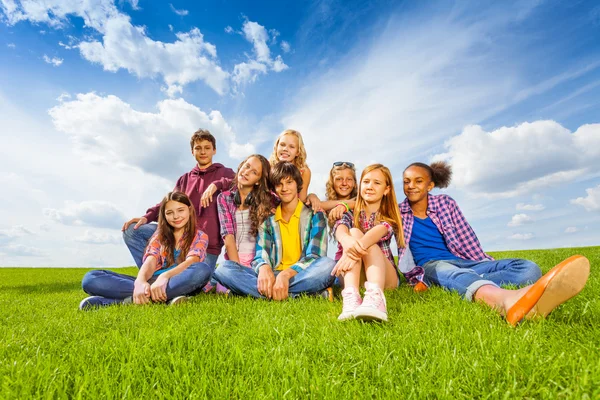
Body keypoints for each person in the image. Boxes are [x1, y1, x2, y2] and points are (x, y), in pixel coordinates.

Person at [399, 161, 590, 325]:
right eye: (406, 181)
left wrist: (483, 262)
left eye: (418, 181)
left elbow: (466, 235)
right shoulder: (398, 213)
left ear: (430, 185)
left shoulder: (445, 203)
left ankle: (452, 282)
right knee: (445, 270)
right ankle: (506, 300)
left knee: (528, 268)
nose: (411, 186)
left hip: (464, 261)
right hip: (431, 265)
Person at [214, 162, 335, 300]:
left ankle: (261, 293)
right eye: (279, 184)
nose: (284, 188)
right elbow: (261, 253)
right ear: (274, 189)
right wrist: (264, 268)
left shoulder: (315, 216)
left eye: (289, 182)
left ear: (298, 184)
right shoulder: (268, 219)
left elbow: (315, 256)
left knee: (328, 265)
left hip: (300, 274)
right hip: (273, 275)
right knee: (224, 269)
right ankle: (299, 294)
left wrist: (285, 275)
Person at [121, 129, 235, 271]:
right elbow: (168, 204)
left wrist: (216, 184)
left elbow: (239, 182)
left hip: (207, 246)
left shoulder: (224, 172)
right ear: (192, 152)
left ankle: (173, 276)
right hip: (180, 239)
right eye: (198, 148)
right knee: (132, 230)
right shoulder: (185, 179)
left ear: (214, 150)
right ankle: (154, 273)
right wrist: (146, 217)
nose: (203, 152)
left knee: (198, 275)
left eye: (207, 148)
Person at [79, 192, 213, 309]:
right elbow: (151, 259)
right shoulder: (159, 235)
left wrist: (164, 277)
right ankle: (161, 297)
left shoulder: (200, 235)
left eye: (180, 210)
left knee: (202, 270)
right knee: (91, 278)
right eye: (169, 213)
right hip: (152, 282)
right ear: (164, 216)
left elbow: (191, 261)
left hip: (177, 281)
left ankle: (119, 302)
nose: (176, 216)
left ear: (189, 210)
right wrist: (140, 282)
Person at [332, 164, 404, 322]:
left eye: (377, 183)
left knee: (367, 240)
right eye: (366, 182)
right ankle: (351, 297)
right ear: (360, 186)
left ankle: (376, 297)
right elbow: (340, 228)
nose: (370, 186)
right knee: (354, 232)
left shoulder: (390, 216)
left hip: (385, 277)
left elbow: (375, 234)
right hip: (356, 274)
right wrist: (348, 243)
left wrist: (351, 253)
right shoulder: (350, 213)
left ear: (386, 189)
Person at [216, 154, 275, 268]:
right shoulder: (224, 198)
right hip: (234, 260)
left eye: (254, 172)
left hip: (260, 262)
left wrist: (312, 197)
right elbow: (228, 236)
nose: (247, 172)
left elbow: (289, 198)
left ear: (258, 181)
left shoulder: (269, 200)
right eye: (247, 166)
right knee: (222, 272)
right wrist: (237, 269)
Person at [269, 129, 312, 203]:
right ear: (276, 147)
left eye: (291, 147)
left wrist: (312, 196)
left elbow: (302, 201)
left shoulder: (304, 171)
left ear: (298, 152)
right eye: (282, 145)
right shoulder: (268, 166)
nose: (285, 149)